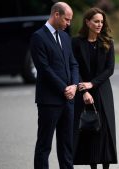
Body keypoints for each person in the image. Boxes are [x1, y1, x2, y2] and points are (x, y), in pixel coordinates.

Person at [30, 2, 79, 169]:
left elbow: (73, 64)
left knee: (66, 145)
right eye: (67, 19)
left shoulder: (65, 37)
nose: (68, 23)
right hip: (49, 101)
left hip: (68, 100)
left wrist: (74, 86)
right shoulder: (38, 37)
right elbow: (44, 68)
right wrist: (64, 88)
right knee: (44, 145)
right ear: (56, 14)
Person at [72, 7, 117, 169]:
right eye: (96, 21)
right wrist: (84, 91)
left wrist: (93, 84)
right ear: (87, 22)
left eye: (101, 22)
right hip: (84, 93)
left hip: (103, 92)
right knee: (89, 130)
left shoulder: (107, 42)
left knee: (105, 131)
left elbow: (109, 69)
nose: (99, 25)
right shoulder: (76, 43)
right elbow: (74, 68)